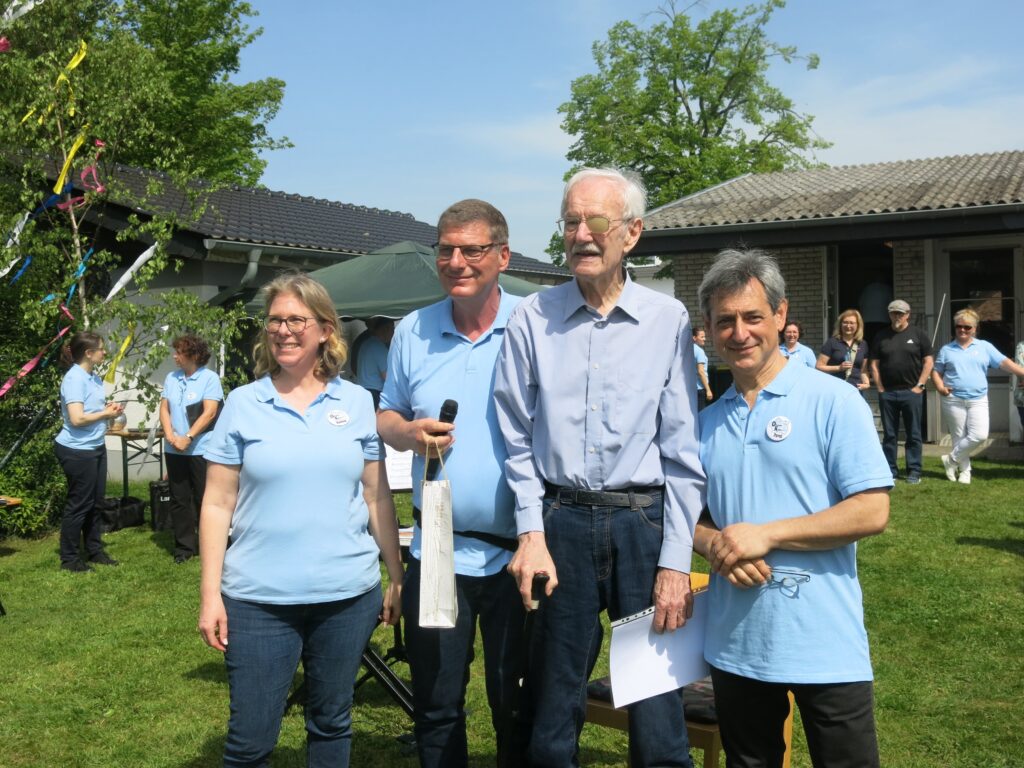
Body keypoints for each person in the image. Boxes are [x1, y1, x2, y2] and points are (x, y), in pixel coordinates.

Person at [494, 167, 705, 768]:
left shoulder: (668, 319)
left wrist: (675, 563)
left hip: (642, 524)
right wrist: (531, 533)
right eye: (571, 221)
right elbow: (515, 437)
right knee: (552, 700)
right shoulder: (532, 318)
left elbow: (682, 450)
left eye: (596, 221)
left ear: (632, 233)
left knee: (658, 706)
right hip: (559, 523)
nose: (581, 234)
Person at [694, 248, 891, 768]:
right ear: (709, 328)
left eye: (753, 317)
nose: (739, 333)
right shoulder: (704, 424)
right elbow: (685, 515)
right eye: (725, 321)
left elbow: (872, 509)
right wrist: (714, 542)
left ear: (780, 315)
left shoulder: (833, 400)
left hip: (824, 643)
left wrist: (767, 534)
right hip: (736, 647)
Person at [198, 273, 402, 768]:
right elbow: (217, 503)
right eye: (274, 321)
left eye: (296, 320)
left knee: (332, 724)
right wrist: (209, 595)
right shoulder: (243, 403)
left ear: (326, 330)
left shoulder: (357, 402)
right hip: (258, 600)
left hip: (347, 596)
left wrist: (396, 575)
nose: (283, 331)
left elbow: (376, 494)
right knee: (250, 741)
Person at [377, 199, 526, 768]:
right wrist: (407, 433)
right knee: (436, 703)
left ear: (503, 256)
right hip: (437, 549)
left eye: (472, 249)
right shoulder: (413, 329)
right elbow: (386, 414)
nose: (457, 261)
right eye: (446, 249)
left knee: (517, 703)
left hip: (521, 550)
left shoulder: (534, 323)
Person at [54, 332, 124, 572]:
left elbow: (92, 410)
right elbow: (77, 418)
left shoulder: (93, 377)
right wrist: (105, 414)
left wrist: (108, 409)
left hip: (95, 446)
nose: (104, 352)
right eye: (101, 349)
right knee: (79, 504)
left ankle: (94, 551)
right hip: (76, 450)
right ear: (88, 353)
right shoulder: (74, 379)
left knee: (96, 502)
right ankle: (70, 559)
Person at [931, 308, 1024, 485]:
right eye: (959, 326)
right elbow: (936, 371)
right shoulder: (946, 349)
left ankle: (950, 460)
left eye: (967, 327)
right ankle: (965, 473)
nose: (963, 330)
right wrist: (940, 387)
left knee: (979, 435)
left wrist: (1022, 373)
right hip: (953, 399)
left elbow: (1005, 363)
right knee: (959, 436)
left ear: (975, 328)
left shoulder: (984, 347)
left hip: (978, 399)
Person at [158, 334, 223, 563]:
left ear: (193, 355)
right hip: (174, 448)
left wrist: (188, 437)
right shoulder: (171, 378)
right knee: (179, 499)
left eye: (179, 352)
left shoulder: (209, 378)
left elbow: (210, 412)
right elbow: (164, 409)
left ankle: (210, 545)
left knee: (204, 498)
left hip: (201, 449)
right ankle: (184, 548)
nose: (175, 356)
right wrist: (170, 435)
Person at [869, 299, 934, 484]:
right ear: (889, 314)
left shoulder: (919, 334)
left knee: (913, 434)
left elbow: (928, 362)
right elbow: (874, 364)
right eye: (893, 313)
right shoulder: (881, 336)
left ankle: (914, 470)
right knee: (890, 435)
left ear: (908, 314)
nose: (896, 316)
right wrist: (880, 387)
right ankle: (890, 470)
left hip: (911, 393)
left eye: (900, 313)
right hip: (888, 393)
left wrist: (920, 385)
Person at [817, 309, 871, 389]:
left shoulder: (863, 344)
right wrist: (839, 368)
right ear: (840, 324)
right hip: (835, 387)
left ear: (858, 325)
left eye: (852, 323)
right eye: (845, 322)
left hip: (855, 389)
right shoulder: (832, 342)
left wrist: (866, 384)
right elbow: (819, 366)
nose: (848, 326)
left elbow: (863, 370)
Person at [355, 317, 394, 408]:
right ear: (386, 329)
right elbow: (388, 377)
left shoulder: (366, 344)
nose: (393, 333)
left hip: (362, 392)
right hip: (374, 393)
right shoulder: (379, 347)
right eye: (393, 329)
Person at [693, 327, 714, 410]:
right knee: (702, 413)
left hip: (691, 387)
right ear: (694, 338)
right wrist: (708, 390)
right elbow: (701, 371)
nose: (704, 339)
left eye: (704, 337)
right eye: (702, 337)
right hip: (700, 388)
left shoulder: (688, 350)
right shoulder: (699, 351)